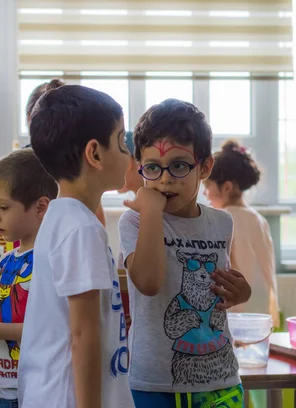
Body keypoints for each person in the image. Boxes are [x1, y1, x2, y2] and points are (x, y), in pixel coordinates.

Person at [118, 99, 252, 408]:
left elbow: (222, 288)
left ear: (204, 167)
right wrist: (152, 212)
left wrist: (241, 292)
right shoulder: (135, 221)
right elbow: (148, 283)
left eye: (178, 165)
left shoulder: (222, 222)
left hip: (219, 380)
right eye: (152, 167)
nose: (164, 179)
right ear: (140, 166)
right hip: (154, 383)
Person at [18, 85, 134, 408]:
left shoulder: (63, 216)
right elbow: (83, 334)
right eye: (122, 141)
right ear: (94, 153)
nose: (128, 154)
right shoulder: (80, 228)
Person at [0, 148, 58, 408]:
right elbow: (11, 318)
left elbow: (51, 329)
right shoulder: (7, 259)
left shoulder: (50, 258)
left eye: (3, 207)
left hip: (42, 387)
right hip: (7, 384)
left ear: (40, 207)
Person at [0, 79, 107, 228]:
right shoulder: (16, 165)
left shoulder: (78, 166)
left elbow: (98, 224)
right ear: (29, 119)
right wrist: (23, 240)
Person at [204, 139, 280, 327]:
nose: (205, 194)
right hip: (259, 311)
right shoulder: (257, 218)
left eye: (207, 187)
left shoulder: (225, 218)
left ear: (227, 187)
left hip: (236, 313)